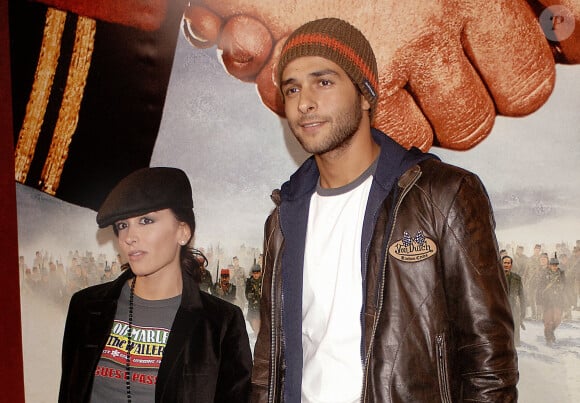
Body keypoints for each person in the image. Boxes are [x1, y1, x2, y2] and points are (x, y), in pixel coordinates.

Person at [250, 18, 518, 403]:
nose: (304, 101)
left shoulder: (442, 194)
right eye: (292, 88)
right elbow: (268, 364)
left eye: (323, 82)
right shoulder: (283, 220)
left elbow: (488, 364)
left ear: (365, 94)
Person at [58, 167, 252, 402]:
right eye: (122, 225)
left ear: (182, 231)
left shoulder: (220, 324)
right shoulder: (86, 307)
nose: (129, 236)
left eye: (146, 220)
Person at [537, 254, 568, 346]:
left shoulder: (561, 273)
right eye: (553, 265)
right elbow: (540, 287)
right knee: (548, 321)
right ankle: (548, 339)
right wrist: (538, 301)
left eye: (556, 265)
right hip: (547, 300)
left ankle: (551, 332)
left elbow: (566, 286)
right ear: (549, 265)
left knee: (557, 320)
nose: (554, 267)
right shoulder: (544, 274)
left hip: (558, 300)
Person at [502, 256, 526, 346]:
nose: (506, 265)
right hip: (500, 307)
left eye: (508, 263)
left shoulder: (517, 278)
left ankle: (517, 350)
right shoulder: (497, 278)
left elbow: (522, 296)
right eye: (504, 263)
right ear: (501, 264)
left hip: (513, 308)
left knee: (515, 330)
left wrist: (523, 311)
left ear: (511, 265)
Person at [245, 262, 263, 334]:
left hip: (261, 307)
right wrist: (253, 296)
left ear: (260, 273)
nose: (255, 275)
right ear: (252, 273)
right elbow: (247, 294)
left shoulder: (263, 281)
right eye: (254, 273)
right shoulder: (249, 282)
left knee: (259, 326)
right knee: (253, 324)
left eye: (257, 273)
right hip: (252, 306)